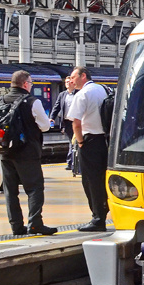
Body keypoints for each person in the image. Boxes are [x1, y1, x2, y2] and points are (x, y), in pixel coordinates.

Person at [0, 71, 55, 236]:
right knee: (35, 188)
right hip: (27, 152)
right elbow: (44, 126)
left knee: (10, 191)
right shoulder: (32, 102)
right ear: (25, 84)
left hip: (5, 152)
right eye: (31, 83)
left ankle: (16, 226)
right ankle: (35, 224)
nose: (31, 86)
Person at [67, 67, 109, 232]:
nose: (71, 80)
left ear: (83, 76)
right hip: (105, 140)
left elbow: (76, 123)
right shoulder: (103, 89)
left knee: (91, 181)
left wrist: (80, 142)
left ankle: (97, 218)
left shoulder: (82, 94)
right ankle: (104, 211)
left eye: (73, 77)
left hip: (90, 141)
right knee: (102, 178)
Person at [51, 75, 78, 174]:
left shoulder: (78, 94)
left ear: (73, 83)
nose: (67, 83)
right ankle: (71, 163)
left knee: (73, 142)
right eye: (66, 82)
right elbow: (56, 107)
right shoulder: (62, 95)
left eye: (69, 82)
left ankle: (71, 163)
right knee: (72, 141)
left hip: (77, 121)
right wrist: (52, 117)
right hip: (66, 122)